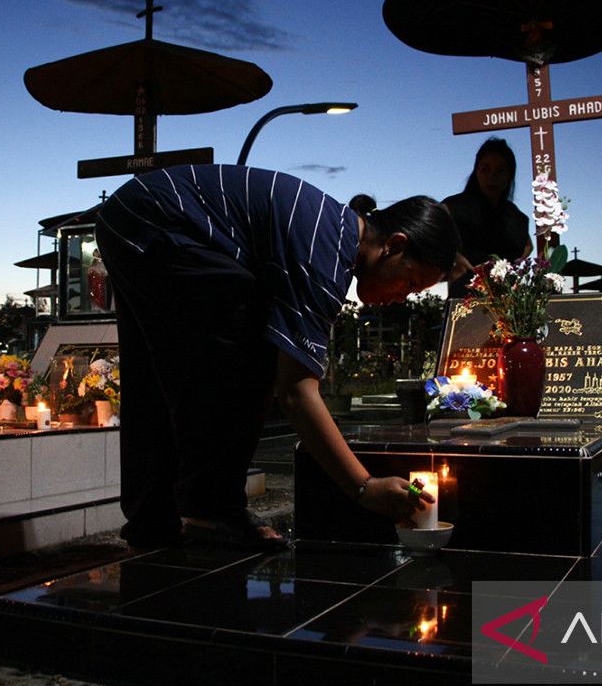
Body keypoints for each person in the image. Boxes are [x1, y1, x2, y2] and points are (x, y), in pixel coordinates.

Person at [95, 163, 457, 550]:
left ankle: (153, 520)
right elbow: (297, 392)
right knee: (253, 353)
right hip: (158, 218)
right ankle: (213, 511)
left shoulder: (329, 232)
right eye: (412, 282)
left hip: (129, 215)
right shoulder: (324, 257)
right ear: (395, 245)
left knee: (152, 373)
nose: (403, 296)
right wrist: (364, 488)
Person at [442, 137, 533, 298]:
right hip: (464, 300)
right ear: (476, 171)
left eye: (500, 170)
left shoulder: (516, 217)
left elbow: (527, 245)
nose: (492, 177)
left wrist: (507, 268)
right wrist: (454, 259)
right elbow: (431, 236)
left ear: (510, 175)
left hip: (504, 300)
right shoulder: (453, 207)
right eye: (485, 169)